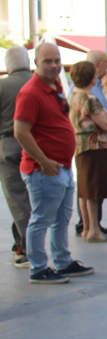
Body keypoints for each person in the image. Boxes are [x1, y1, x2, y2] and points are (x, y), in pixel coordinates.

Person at [13, 42, 93, 283]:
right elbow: (20, 131)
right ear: (35, 63)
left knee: (61, 219)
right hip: (43, 170)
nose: (54, 66)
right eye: (48, 61)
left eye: (57, 60)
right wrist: (44, 161)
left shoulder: (55, 85)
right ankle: (38, 267)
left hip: (62, 168)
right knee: (41, 219)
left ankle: (62, 261)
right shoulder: (30, 92)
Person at [68, 61, 107, 242]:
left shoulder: (74, 96)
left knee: (84, 189)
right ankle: (94, 230)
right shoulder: (90, 99)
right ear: (92, 77)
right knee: (94, 189)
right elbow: (104, 124)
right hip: (95, 146)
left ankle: (87, 228)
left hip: (80, 146)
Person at [1, 46, 33, 268]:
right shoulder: (40, 82)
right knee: (34, 197)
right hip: (39, 145)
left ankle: (28, 248)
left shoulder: (3, 86)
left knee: (17, 198)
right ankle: (22, 242)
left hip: (9, 146)